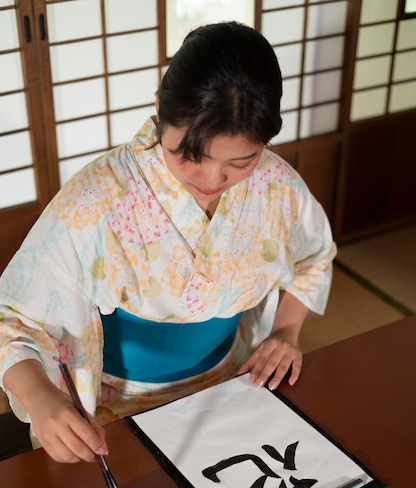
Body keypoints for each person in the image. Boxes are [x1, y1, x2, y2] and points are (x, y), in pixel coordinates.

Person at [0, 22, 336, 464]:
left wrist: (287, 332)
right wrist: (42, 399)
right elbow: (14, 317)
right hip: (112, 403)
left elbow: (315, 255)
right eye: (191, 156)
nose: (213, 181)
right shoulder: (97, 198)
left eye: (241, 161)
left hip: (230, 380)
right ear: (160, 110)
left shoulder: (276, 184)